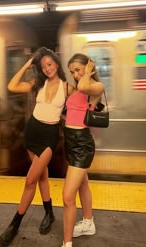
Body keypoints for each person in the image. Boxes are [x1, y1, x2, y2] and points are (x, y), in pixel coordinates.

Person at [0, 47, 73, 247]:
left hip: (49, 136)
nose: (47, 69)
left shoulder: (67, 88)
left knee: (30, 180)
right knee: (42, 176)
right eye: (43, 66)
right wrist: (27, 64)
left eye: (50, 64)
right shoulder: (37, 84)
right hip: (32, 132)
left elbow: (84, 101)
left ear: (56, 63)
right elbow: (12, 85)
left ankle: (15, 224)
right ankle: (49, 213)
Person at [61, 53, 105, 247]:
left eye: (78, 70)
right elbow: (70, 113)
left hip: (82, 144)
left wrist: (87, 73)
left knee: (67, 196)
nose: (76, 75)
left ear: (88, 66)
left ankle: (67, 243)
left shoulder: (95, 86)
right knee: (82, 184)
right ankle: (88, 223)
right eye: (72, 72)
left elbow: (84, 86)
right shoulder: (77, 90)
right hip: (70, 141)